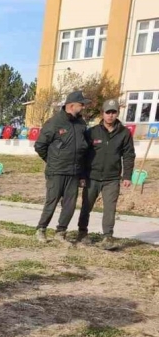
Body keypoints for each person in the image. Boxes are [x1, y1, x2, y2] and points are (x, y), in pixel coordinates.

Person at [34, 90, 92, 243]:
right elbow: (40, 145)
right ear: (71, 105)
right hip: (57, 171)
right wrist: (52, 160)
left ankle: (61, 232)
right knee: (51, 201)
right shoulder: (54, 122)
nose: (83, 107)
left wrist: (82, 173)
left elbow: (83, 148)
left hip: (74, 172)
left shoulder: (81, 124)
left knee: (70, 205)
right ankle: (41, 229)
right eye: (81, 104)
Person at [77, 100, 135, 250]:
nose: (110, 115)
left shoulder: (124, 133)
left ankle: (108, 237)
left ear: (117, 113)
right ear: (102, 113)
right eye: (108, 112)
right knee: (86, 206)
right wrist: (82, 175)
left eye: (113, 112)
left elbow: (129, 155)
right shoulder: (92, 132)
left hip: (112, 179)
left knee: (110, 208)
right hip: (92, 177)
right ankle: (82, 233)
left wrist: (127, 176)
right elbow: (83, 155)